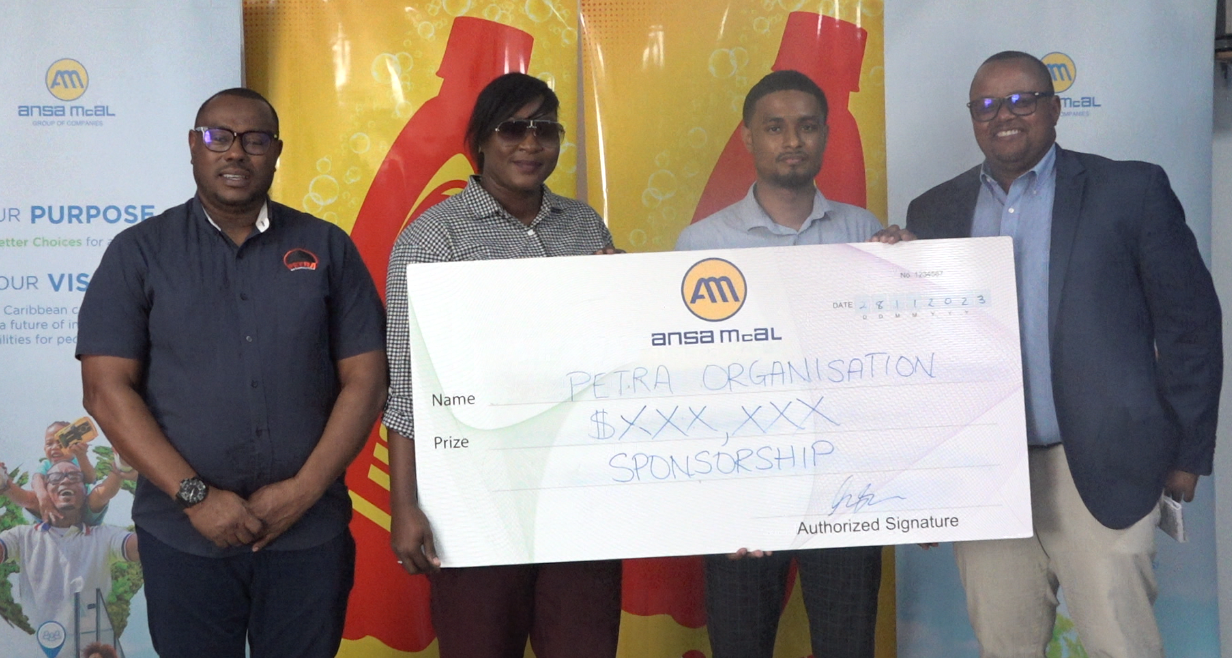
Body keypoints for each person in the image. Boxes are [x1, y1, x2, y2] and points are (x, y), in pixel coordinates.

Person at [904, 50, 1222, 657]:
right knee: (1005, 646)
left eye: (1022, 100)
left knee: (1121, 645)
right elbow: (923, 355)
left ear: (1054, 109)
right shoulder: (933, 211)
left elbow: (1191, 326)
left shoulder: (1130, 190)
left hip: (1106, 467)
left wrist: (1188, 452)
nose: (1004, 115)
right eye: (987, 105)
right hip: (986, 475)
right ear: (972, 118)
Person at [74, 88, 389, 658]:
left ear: (277, 152)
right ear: (194, 147)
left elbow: (367, 381)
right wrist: (195, 497)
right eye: (218, 137)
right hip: (183, 536)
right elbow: (104, 389)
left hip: (308, 535)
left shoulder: (326, 247)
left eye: (255, 139)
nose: (236, 152)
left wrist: (302, 492)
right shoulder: (139, 252)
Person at [386, 72, 623, 658]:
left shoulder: (584, 226)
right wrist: (404, 503)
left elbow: (613, 357)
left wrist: (628, 293)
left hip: (578, 492)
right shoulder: (433, 239)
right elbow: (408, 383)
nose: (531, 143)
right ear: (480, 142)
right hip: (474, 497)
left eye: (546, 129)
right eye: (513, 129)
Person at [676, 69, 896, 658]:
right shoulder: (699, 245)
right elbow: (689, 384)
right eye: (775, 128)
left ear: (826, 135)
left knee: (848, 646)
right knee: (740, 646)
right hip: (743, 487)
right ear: (748, 137)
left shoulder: (866, 232)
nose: (792, 140)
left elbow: (892, 364)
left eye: (806, 126)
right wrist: (714, 501)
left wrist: (912, 271)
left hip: (844, 486)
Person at [0, 461, 139, 632]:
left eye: (74, 477)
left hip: (90, 644)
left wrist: (147, 479)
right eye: (55, 478)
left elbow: (145, 548)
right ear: (44, 492)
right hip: (38, 644)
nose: (65, 481)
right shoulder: (22, 537)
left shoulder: (105, 537)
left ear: (85, 491)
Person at [0, 419, 127, 527]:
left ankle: (121, 464)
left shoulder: (77, 460)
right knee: (30, 499)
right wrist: (43, 497)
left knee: (99, 495)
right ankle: (0, 481)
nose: (54, 448)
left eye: (61, 442)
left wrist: (81, 456)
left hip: (84, 513)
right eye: (49, 443)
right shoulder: (46, 465)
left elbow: (90, 478)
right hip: (51, 512)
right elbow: (37, 479)